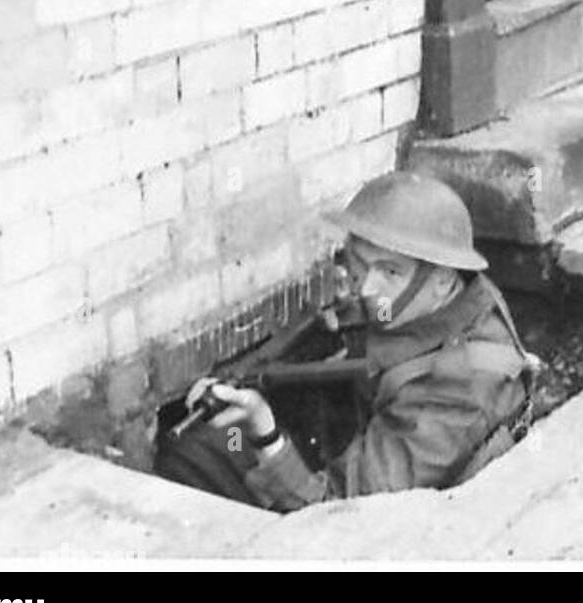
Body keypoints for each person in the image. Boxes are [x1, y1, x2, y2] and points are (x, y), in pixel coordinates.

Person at [155, 173, 533, 511]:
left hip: (373, 519)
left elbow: (336, 512)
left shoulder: (460, 386)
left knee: (195, 459)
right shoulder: (447, 300)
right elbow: (363, 322)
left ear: (444, 280)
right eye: (359, 264)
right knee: (220, 438)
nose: (367, 288)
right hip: (373, 448)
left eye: (389, 271)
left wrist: (264, 431)